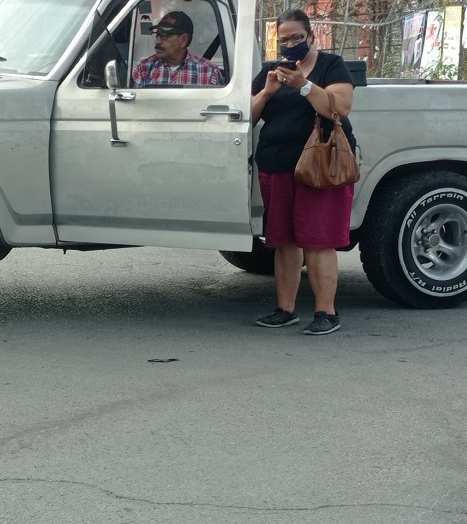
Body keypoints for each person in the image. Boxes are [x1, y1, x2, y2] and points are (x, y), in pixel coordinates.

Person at [250, 9, 356, 335]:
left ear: (311, 36)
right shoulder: (272, 71)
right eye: (284, 39)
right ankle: (286, 309)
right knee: (283, 241)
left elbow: (338, 107)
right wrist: (267, 91)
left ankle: (327, 312)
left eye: (297, 37)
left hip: (320, 167)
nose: (290, 43)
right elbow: (246, 118)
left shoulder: (330, 65)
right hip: (277, 165)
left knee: (318, 241)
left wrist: (305, 86)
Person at [132, 11, 224, 87]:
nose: (157, 41)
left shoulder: (209, 72)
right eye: (157, 35)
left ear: (183, 40)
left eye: (164, 35)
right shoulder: (144, 69)